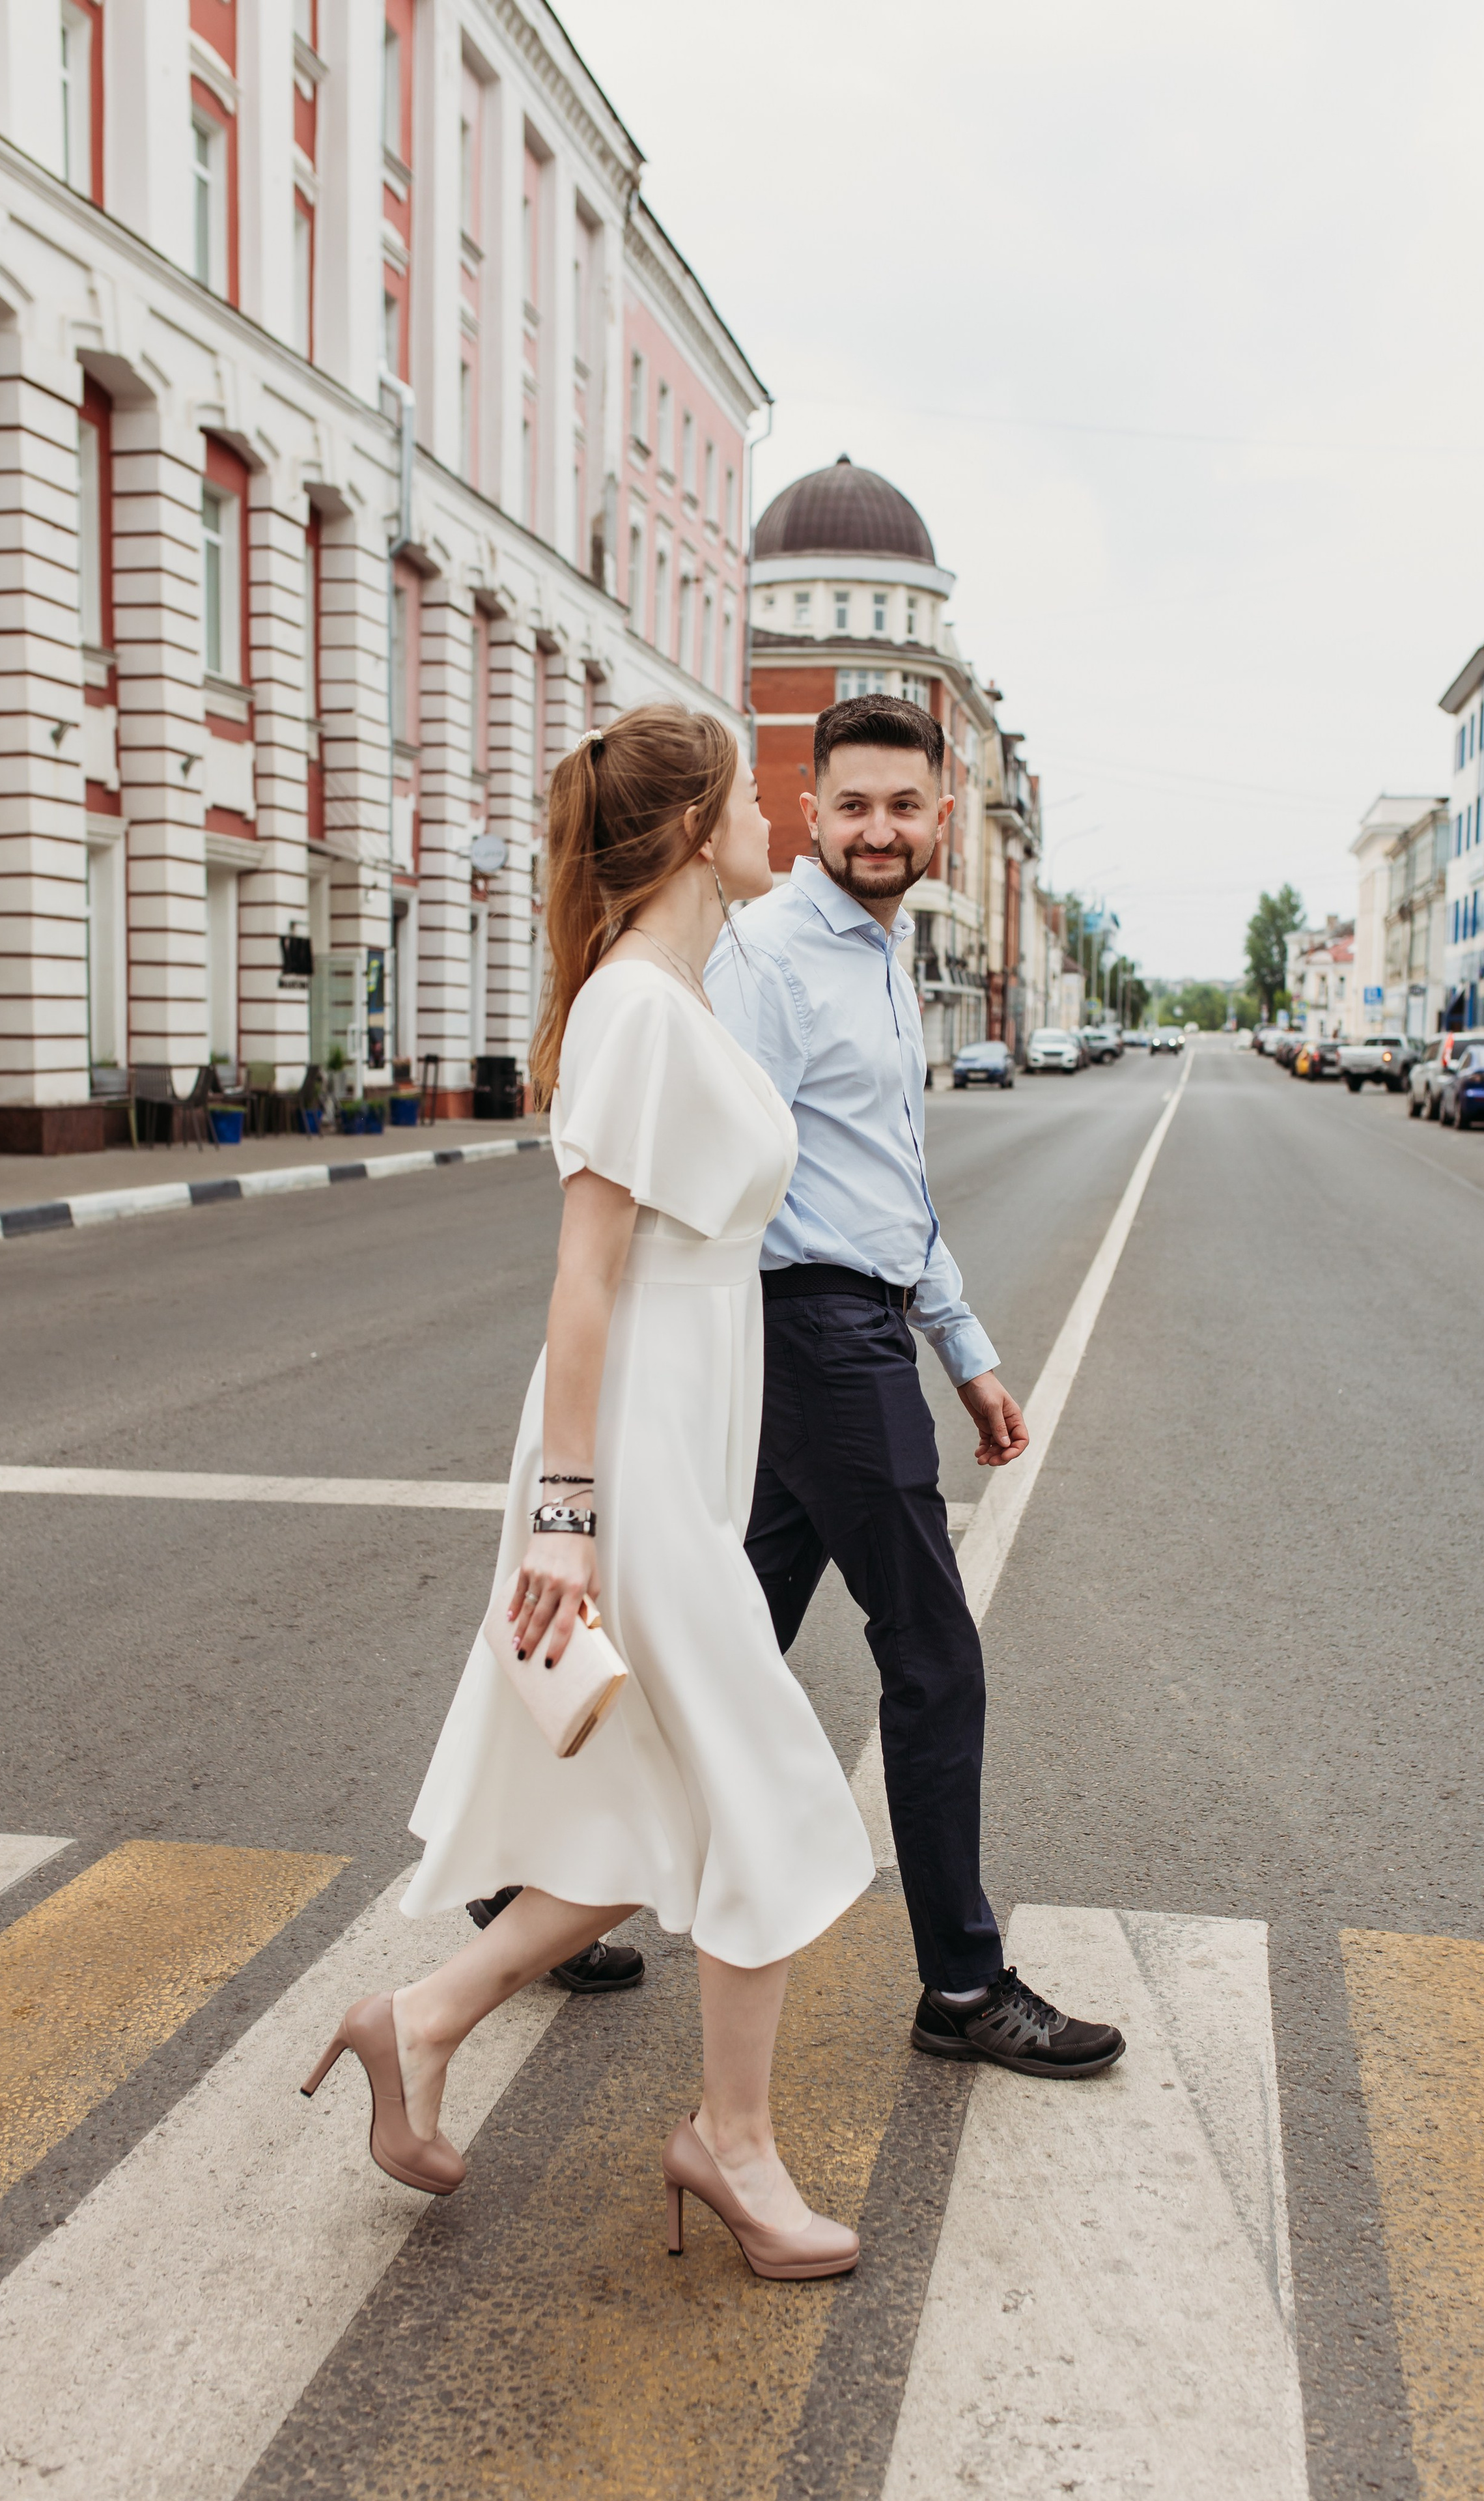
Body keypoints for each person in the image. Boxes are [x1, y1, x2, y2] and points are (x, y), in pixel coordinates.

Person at [303, 705, 874, 2279]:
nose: (776, 816)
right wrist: (567, 1510)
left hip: (682, 1438)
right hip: (626, 1462)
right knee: (764, 1794)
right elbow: (584, 1276)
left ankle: (414, 2023)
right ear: (693, 834)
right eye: (747, 800)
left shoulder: (678, 995)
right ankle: (732, 2147)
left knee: (647, 1809)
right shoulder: (636, 1006)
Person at [705, 694, 1125, 2080]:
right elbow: (728, 1186)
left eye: (901, 807)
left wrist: (965, 1348)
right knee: (934, 1665)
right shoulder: (766, 956)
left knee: (721, 1643)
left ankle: (523, 1892)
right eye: (849, 807)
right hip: (815, 1332)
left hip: (863, 1320)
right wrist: (800, 1357)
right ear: (807, 812)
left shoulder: (882, 954)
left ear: (942, 817)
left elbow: (894, 1180)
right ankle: (959, 1986)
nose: (875, 831)